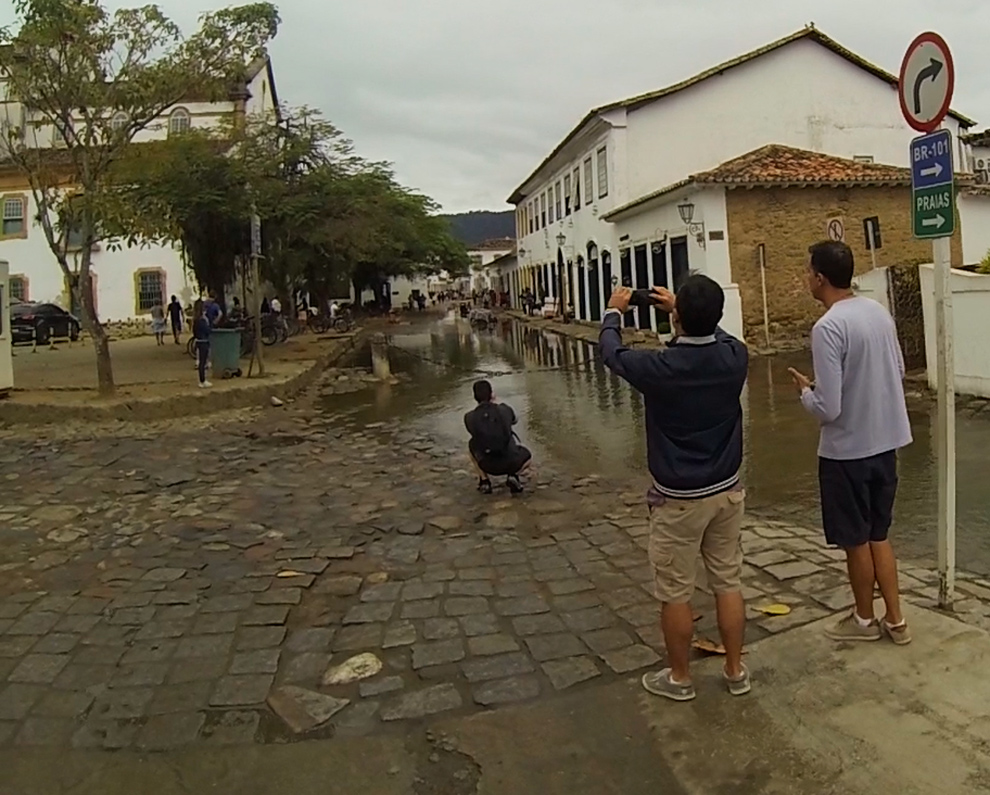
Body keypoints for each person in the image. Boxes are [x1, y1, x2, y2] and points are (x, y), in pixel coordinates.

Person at [600, 276, 749, 702]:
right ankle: (736, 670)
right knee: (728, 582)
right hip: (727, 491)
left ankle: (680, 678)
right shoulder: (735, 357)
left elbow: (612, 353)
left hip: (679, 500)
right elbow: (721, 335)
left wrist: (614, 311)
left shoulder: (660, 368)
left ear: (679, 316)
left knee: (676, 592)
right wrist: (682, 314)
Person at [788, 241, 913, 645]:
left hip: (847, 452)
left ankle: (863, 620)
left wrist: (807, 393)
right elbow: (898, 368)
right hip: (886, 444)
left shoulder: (828, 327)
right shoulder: (877, 311)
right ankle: (895, 620)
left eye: (809, 272)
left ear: (821, 278)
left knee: (855, 541)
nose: (807, 278)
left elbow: (830, 408)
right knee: (880, 534)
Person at [464, 380, 531, 495]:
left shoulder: (469, 417)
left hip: (487, 464)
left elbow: (475, 433)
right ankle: (512, 475)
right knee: (528, 455)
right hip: (511, 462)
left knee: (472, 444)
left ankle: (484, 481)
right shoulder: (504, 409)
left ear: (475, 397)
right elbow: (514, 420)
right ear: (492, 394)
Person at [192, 299, 212, 389]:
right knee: (203, 362)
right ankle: (202, 380)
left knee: (202, 362)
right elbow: (207, 330)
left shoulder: (196, 320)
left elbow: (195, 332)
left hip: (199, 341)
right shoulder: (202, 320)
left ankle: (203, 380)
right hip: (204, 341)